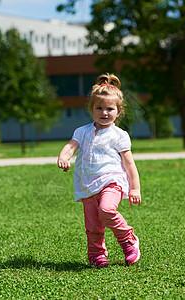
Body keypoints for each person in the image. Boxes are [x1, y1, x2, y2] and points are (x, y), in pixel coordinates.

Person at [57, 73, 142, 268]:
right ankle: (97, 255)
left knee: (106, 210)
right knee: (93, 225)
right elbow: (71, 146)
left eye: (109, 109)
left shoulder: (119, 135)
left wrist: (134, 188)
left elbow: (129, 164)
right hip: (87, 184)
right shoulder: (82, 131)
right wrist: (64, 156)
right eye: (99, 108)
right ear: (91, 109)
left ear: (118, 111)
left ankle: (128, 240)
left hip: (112, 182)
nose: (104, 112)